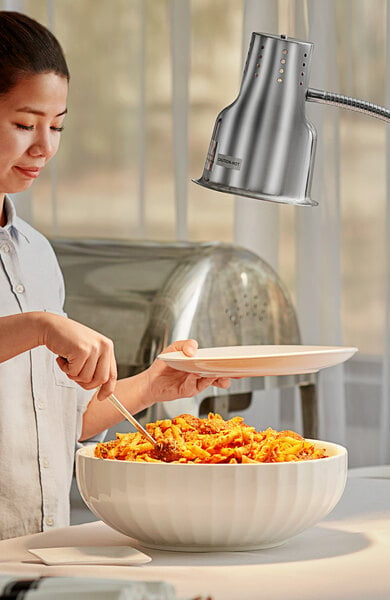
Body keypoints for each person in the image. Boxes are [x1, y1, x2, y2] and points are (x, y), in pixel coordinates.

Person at [0, 10, 231, 540]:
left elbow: (60, 424)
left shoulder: (35, 254)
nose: (45, 147)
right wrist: (38, 326)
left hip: (40, 547)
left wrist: (154, 384)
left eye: (56, 126)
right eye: (23, 124)